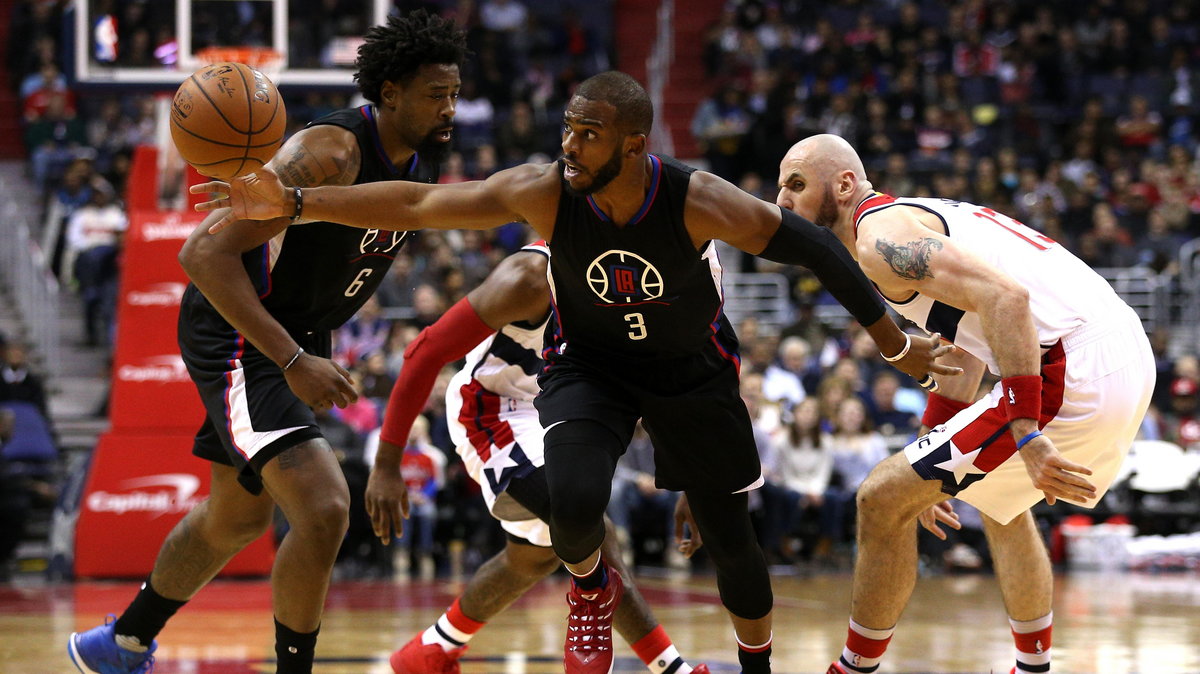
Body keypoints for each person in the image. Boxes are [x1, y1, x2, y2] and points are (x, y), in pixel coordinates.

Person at [193, 71, 956, 674]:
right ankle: (591, 594)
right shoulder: (544, 197)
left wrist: (892, 343)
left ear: (632, 145)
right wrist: (297, 202)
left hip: (687, 374)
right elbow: (423, 201)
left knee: (733, 544)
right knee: (575, 502)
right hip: (586, 368)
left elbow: (817, 249)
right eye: (567, 129)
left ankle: (745, 664)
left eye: (587, 135)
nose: (569, 146)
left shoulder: (698, 201)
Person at [67, 11, 468, 674]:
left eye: (454, 93)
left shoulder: (425, 152)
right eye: (436, 94)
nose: (450, 107)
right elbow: (202, 254)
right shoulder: (329, 153)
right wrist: (290, 358)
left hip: (295, 330)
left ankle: (121, 643)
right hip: (240, 330)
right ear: (389, 92)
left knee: (235, 517)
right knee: (324, 507)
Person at [773, 134, 1154, 674]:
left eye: (796, 185)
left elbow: (1007, 300)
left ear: (843, 184)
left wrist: (1025, 427)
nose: (783, 201)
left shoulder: (879, 239)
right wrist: (930, 452)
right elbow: (968, 347)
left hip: (1074, 365)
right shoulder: (903, 223)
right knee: (1002, 506)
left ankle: (852, 669)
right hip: (1114, 351)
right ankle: (1033, 666)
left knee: (880, 499)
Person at [367, 242, 707, 673]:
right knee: (590, 529)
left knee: (534, 554)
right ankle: (672, 669)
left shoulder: (641, 284)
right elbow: (426, 351)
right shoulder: (531, 278)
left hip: (558, 406)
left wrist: (691, 479)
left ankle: (431, 650)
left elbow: (660, 390)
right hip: (493, 408)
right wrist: (386, 463)